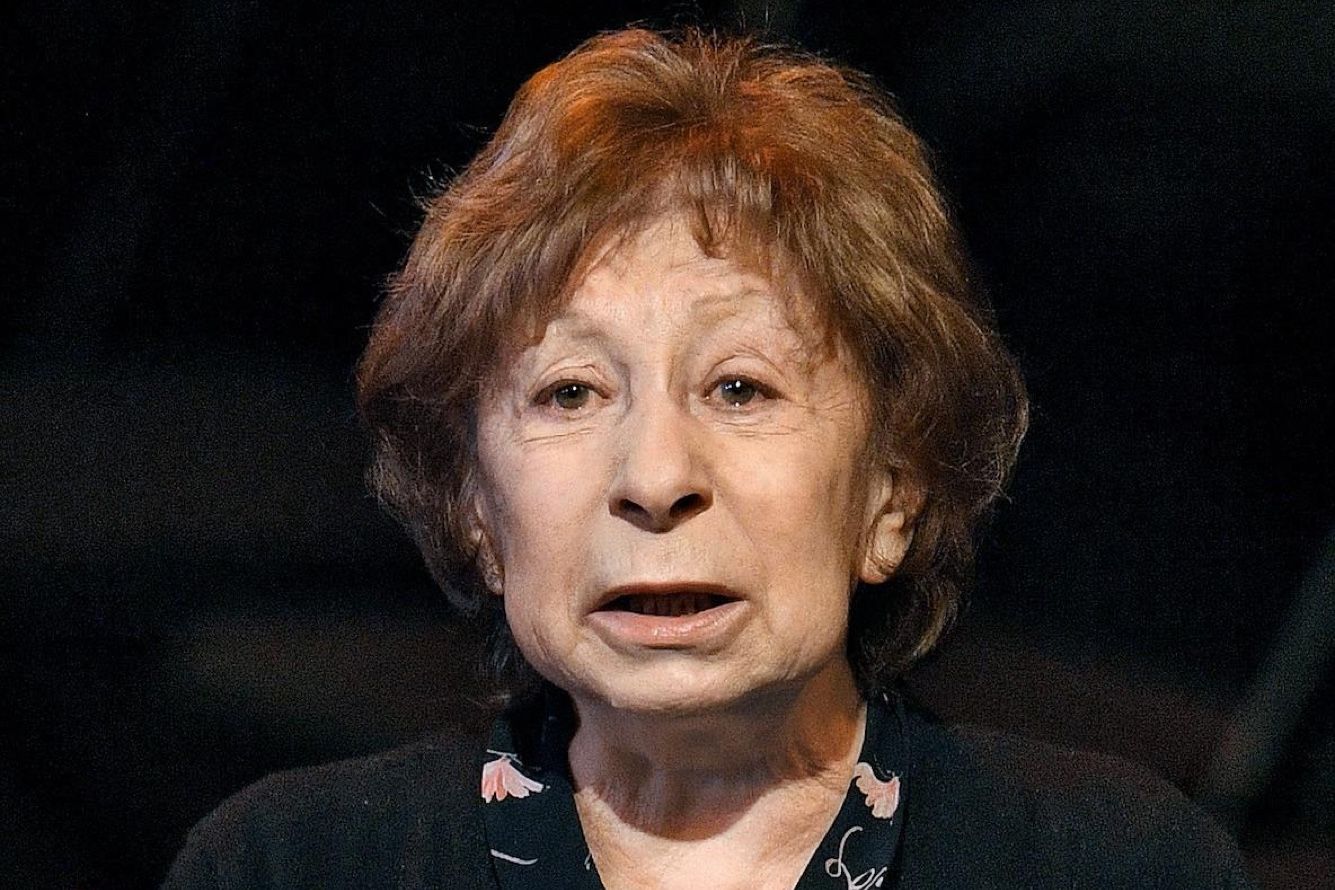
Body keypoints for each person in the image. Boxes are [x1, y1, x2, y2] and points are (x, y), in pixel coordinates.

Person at [164, 28, 1253, 889]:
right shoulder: (289, 865)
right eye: (571, 392)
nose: (654, 479)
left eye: (740, 388)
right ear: (476, 509)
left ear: (893, 492)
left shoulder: (1109, 864)